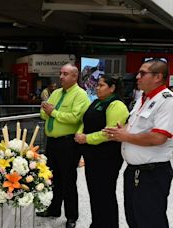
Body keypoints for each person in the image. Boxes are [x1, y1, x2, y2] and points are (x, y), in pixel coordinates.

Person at [104, 58, 173, 228]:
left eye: (142, 73)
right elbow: (134, 126)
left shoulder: (167, 100)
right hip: (133, 172)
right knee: (134, 218)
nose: (137, 77)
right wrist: (123, 130)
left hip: (152, 174)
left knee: (150, 220)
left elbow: (159, 137)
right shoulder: (144, 98)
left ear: (158, 77)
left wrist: (125, 137)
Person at [39, 63, 90, 228]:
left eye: (65, 74)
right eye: (60, 73)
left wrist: (53, 112)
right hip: (52, 142)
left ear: (75, 77)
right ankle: (53, 209)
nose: (61, 77)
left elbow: (75, 117)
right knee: (53, 179)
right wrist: (50, 111)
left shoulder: (80, 95)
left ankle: (71, 216)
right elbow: (43, 112)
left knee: (68, 180)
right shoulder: (56, 93)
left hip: (68, 143)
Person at [74, 74, 129, 228]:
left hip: (107, 157)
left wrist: (86, 138)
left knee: (105, 194)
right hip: (92, 156)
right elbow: (85, 121)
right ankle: (97, 223)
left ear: (112, 88)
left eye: (101, 85)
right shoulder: (97, 102)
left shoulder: (116, 105)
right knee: (95, 193)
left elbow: (109, 133)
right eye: (97, 85)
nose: (97, 88)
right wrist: (80, 133)